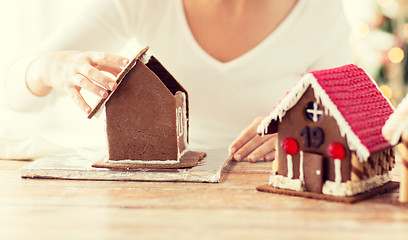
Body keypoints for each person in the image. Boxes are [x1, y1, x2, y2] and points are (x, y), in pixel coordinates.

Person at [3, 0, 352, 162]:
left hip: (264, 193)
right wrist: (51, 67)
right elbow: (12, 93)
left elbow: (348, 116)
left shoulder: (320, 9)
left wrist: (303, 130)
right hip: (154, 192)